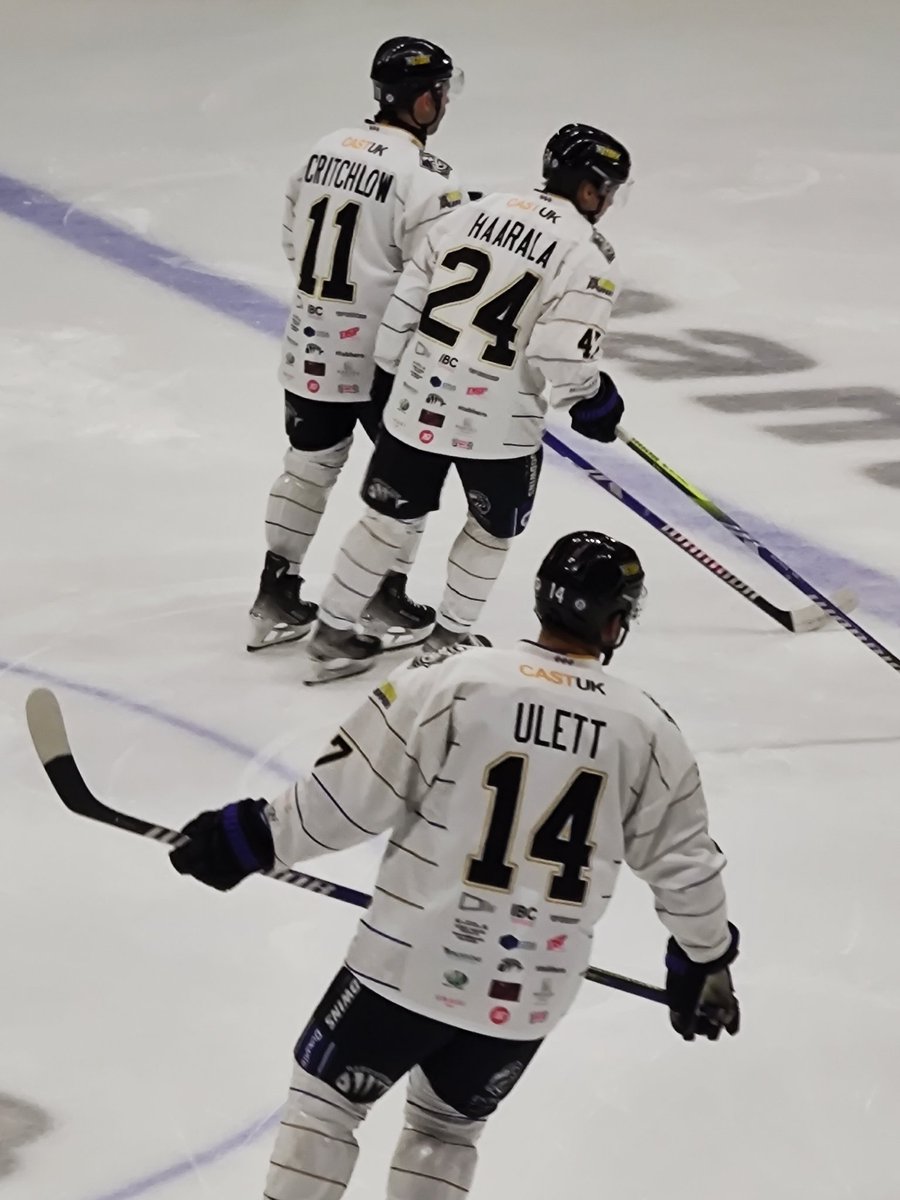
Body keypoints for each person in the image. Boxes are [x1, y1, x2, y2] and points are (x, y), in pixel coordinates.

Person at [171, 529, 741, 1200]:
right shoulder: (649, 729)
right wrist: (705, 963)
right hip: (532, 988)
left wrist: (253, 837)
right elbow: (686, 866)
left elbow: (348, 798)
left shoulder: (457, 679)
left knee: (325, 1105)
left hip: (407, 962)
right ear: (616, 623)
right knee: (446, 1132)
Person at [303, 122, 632, 682]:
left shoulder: (474, 210)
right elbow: (559, 355)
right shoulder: (585, 255)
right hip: (499, 423)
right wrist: (594, 400)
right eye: (608, 190)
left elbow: (405, 306)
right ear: (588, 188)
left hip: (417, 399)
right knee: (490, 528)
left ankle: (333, 628)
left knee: (385, 518)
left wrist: (391, 378)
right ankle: (450, 638)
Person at [247, 35, 467, 653]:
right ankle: (381, 597)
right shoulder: (426, 180)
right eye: (439, 91)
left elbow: (294, 239)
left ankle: (274, 596)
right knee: (408, 483)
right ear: (420, 100)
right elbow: (436, 283)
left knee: (308, 465)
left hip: (311, 336)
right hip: (383, 356)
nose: (443, 102)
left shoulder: (325, 149)